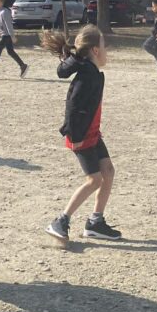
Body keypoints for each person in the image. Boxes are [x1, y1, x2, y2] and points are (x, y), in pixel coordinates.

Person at [40, 24, 122, 242]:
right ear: (95, 50)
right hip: (81, 135)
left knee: (108, 171)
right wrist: (75, 136)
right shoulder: (87, 76)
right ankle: (60, 221)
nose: (106, 50)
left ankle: (95, 223)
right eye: (104, 45)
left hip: (92, 132)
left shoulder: (91, 71)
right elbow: (73, 106)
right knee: (94, 180)